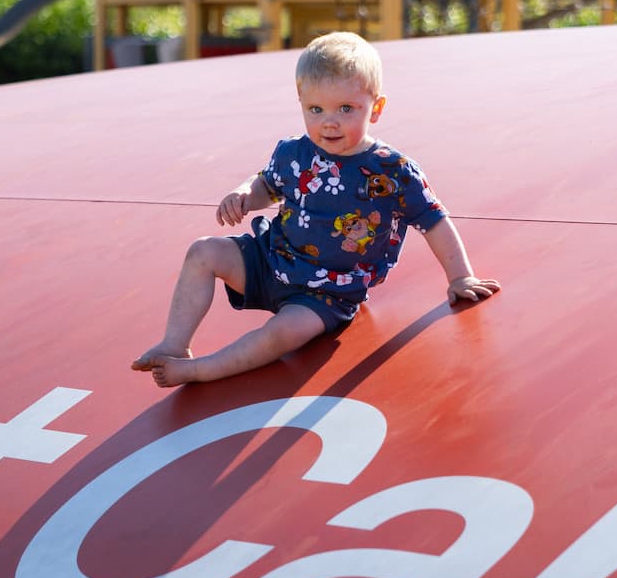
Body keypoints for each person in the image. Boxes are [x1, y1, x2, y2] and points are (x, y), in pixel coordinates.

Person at [132, 31, 500, 387]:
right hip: (272, 260)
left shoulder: (392, 170)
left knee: (282, 335)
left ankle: (200, 371)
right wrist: (245, 194)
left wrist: (460, 277)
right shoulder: (294, 153)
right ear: (301, 102)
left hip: (326, 293)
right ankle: (174, 343)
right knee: (203, 251)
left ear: (376, 108)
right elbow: (268, 186)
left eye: (346, 108)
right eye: (316, 109)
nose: (329, 121)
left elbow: (433, 220)